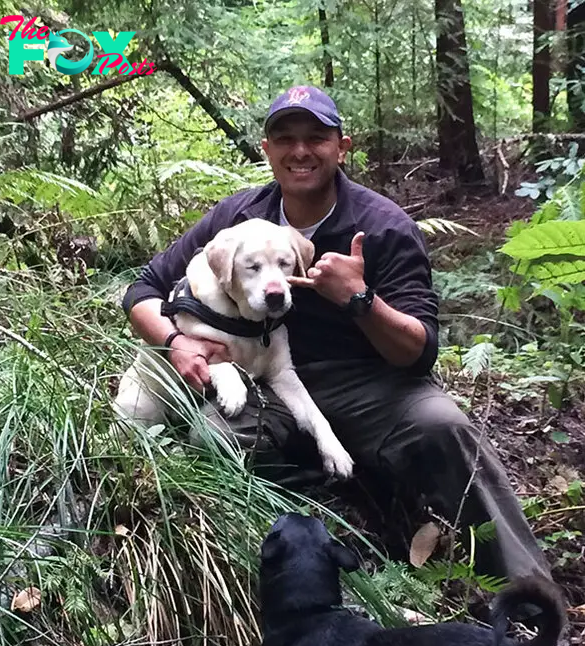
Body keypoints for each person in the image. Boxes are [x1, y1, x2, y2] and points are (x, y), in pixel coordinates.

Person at [122, 85, 551, 582]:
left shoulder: (381, 226)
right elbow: (144, 289)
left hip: (367, 381)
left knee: (445, 428)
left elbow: (419, 352)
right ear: (267, 150)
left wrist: (360, 300)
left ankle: (530, 598)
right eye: (285, 138)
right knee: (212, 441)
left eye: (316, 137)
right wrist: (176, 342)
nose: (300, 151)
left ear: (341, 147)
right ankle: (279, 560)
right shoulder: (236, 221)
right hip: (270, 383)